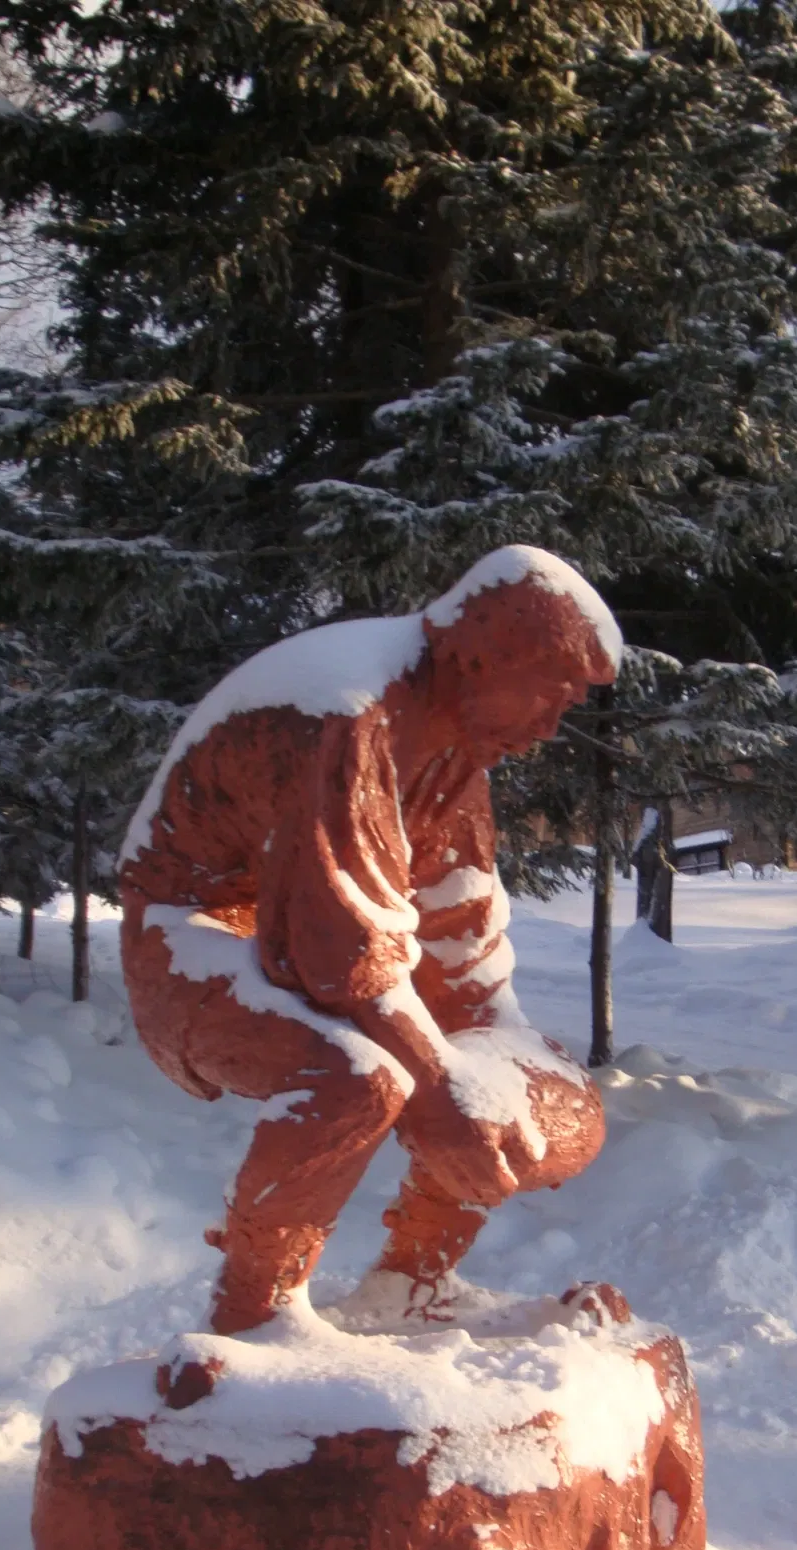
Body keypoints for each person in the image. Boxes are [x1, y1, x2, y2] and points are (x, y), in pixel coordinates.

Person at [118, 546, 621, 1334]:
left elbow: (462, 937)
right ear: (489, 655)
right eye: (551, 694)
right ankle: (252, 1320)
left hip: (323, 953)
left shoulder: (458, 755)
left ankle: (411, 1286)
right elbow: (341, 957)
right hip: (192, 939)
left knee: (542, 1096)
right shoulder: (348, 713)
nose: (554, 724)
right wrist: (443, 1083)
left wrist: (506, 1063)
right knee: (357, 1078)